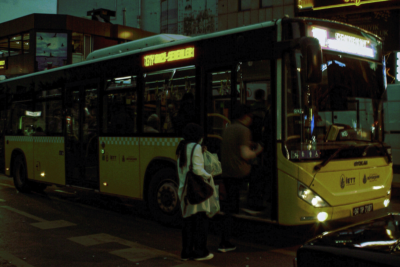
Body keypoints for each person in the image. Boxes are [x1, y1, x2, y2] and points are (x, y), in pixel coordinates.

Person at [218, 104, 263, 252]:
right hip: (239, 172)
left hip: (226, 172)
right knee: (232, 208)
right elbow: (245, 155)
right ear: (245, 116)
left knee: (230, 206)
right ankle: (226, 241)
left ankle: (229, 236)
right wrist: (257, 150)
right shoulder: (244, 130)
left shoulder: (228, 128)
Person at [176, 123, 214, 261]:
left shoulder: (182, 146)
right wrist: (209, 175)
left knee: (188, 222)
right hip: (196, 190)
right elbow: (197, 170)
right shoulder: (196, 147)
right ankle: (200, 252)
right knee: (201, 220)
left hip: (185, 191)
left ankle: (186, 252)